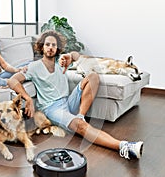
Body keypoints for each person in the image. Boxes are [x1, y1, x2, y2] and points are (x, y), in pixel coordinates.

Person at [8, 30, 143, 160]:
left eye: (54, 45)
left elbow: (77, 56)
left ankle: (80, 116)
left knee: (93, 76)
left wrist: (70, 56)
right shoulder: (34, 67)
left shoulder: (61, 61)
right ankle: (124, 147)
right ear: (41, 46)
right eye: (47, 44)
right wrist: (27, 99)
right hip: (53, 108)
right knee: (81, 126)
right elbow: (12, 80)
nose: (50, 47)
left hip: (68, 101)